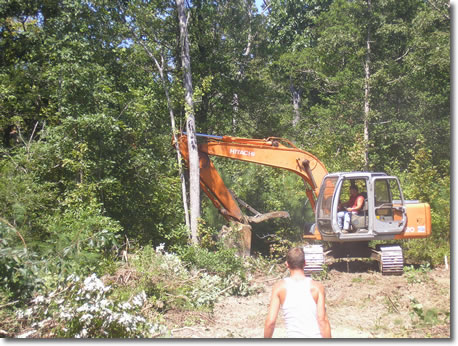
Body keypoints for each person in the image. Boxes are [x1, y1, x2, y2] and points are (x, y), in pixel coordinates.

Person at [264, 247, 332, 338]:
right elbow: (322, 320)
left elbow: (270, 322)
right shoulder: (317, 287)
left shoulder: (279, 288)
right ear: (305, 263)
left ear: (287, 264)